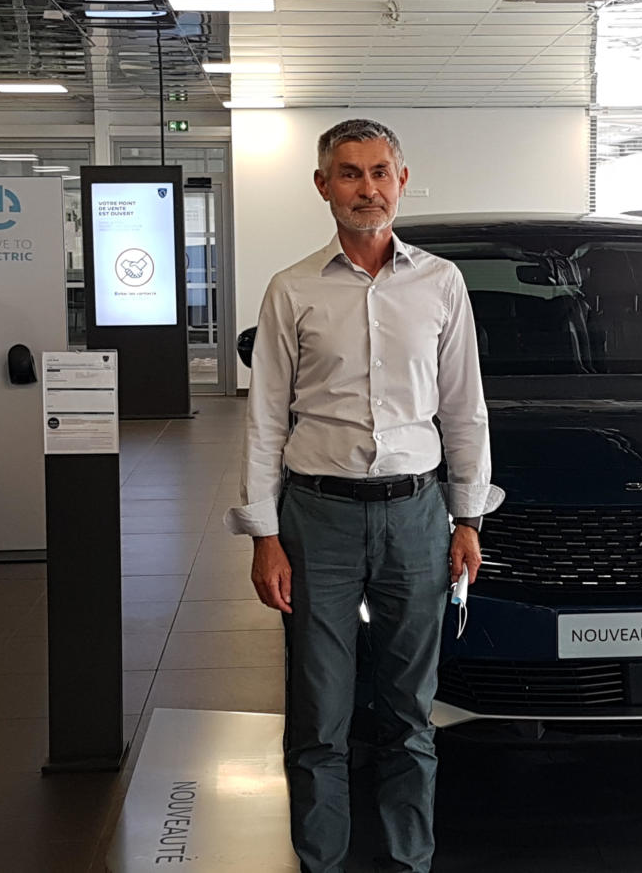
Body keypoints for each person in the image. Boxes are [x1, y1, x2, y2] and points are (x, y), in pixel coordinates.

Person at [225, 118, 502, 873]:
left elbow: (464, 408)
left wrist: (468, 517)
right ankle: (323, 860)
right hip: (318, 517)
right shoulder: (292, 290)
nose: (366, 187)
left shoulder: (441, 284)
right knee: (320, 712)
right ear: (323, 186)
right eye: (349, 173)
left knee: (410, 712)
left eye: (380, 171)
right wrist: (264, 534)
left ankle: (409, 859)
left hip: (417, 514)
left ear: (401, 181)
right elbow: (266, 419)